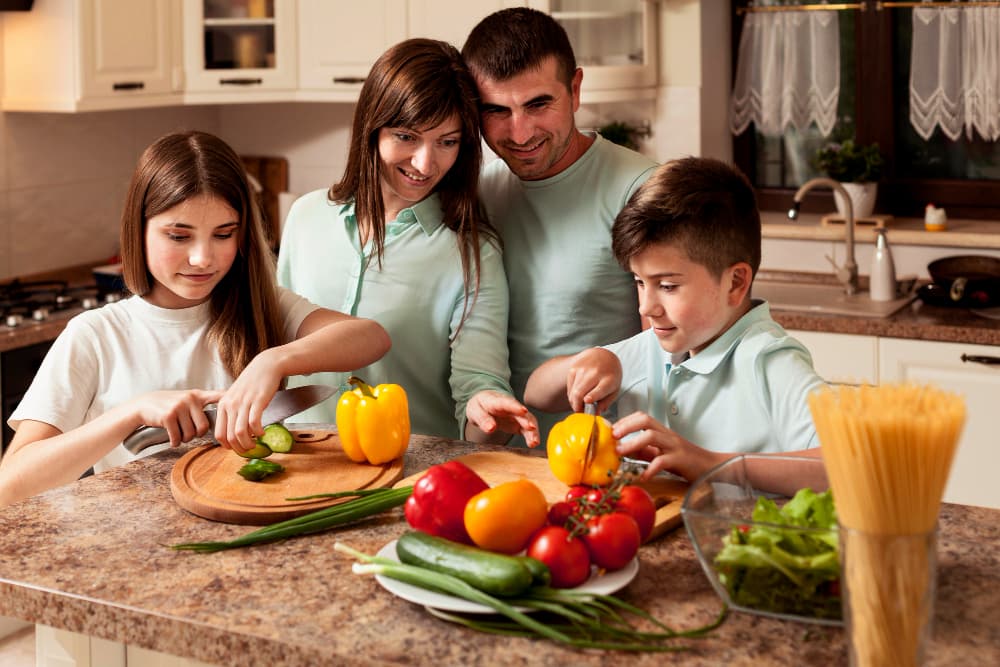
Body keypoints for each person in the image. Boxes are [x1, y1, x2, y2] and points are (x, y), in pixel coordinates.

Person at [0, 131, 391, 507]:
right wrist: (130, 414)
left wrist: (274, 360)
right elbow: (10, 486)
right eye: (179, 236)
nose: (203, 258)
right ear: (139, 230)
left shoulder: (262, 306)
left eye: (223, 234)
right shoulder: (95, 336)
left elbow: (370, 337)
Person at [277, 38, 538, 445]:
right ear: (372, 127)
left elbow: (477, 382)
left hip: (410, 477)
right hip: (302, 465)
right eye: (407, 136)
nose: (425, 163)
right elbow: (277, 335)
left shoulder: (471, 252)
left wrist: (486, 407)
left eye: (447, 142)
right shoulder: (306, 217)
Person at [524, 157, 827, 489]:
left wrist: (710, 464)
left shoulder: (769, 360)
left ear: (736, 283)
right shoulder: (654, 347)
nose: (646, 306)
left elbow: (846, 463)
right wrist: (585, 362)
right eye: (639, 282)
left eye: (667, 286)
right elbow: (536, 393)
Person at [462, 8, 659, 444]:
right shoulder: (476, 194)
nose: (519, 132)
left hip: (606, 461)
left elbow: (672, 354)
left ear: (575, 89)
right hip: (499, 458)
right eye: (496, 110)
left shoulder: (642, 191)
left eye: (538, 104)